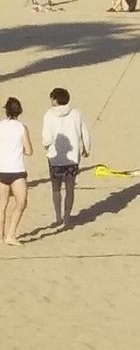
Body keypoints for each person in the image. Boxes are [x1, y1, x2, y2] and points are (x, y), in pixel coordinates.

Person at [41, 88, 90, 228]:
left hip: (55, 159)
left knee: (56, 188)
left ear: (55, 99)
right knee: (70, 188)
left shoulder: (49, 115)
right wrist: (87, 148)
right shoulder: (76, 113)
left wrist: (46, 146)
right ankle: (67, 216)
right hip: (72, 158)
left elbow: (46, 139)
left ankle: (58, 217)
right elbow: (84, 132)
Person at [0, 97, 33, 246]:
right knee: (21, 202)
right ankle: (10, 234)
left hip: (2, 169)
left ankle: (2, 233)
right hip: (17, 170)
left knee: (2, 204)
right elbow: (29, 151)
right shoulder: (21, 127)